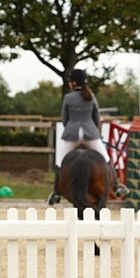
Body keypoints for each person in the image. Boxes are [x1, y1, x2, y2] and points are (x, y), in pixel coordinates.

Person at [49, 68, 125, 203]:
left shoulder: (68, 97)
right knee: (106, 159)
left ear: (73, 83)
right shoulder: (91, 96)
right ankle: (117, 186)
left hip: (72, 133)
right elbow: (96, 118)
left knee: (59, 162)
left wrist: (71, 129)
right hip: (90, 133)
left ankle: (56, 193)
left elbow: (65, 119)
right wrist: (95, 133)